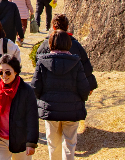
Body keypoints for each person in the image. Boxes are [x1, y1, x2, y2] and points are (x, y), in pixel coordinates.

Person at [33, 31, 90, 160]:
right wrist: (80, 100)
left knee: (53, 144)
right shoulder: (76, 62)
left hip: (50, 109)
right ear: (68, 44)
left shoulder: (42, 62)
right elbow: (84, 88)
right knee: (70, 144)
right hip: (71, 109)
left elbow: (35, 87)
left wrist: (43, 101)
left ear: (51, 44)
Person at [0, 54, 39, 160]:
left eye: (8, 72)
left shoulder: (26, 90)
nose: (4, 75)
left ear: (16, 71)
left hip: (20, 140)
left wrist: (31, 143)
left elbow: (32, 117)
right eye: (0, 72)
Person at [34, 15, 98, 92]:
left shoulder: (45, 44)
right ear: (67, 27)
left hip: (49, 90)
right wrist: (90, 85)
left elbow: (37, 62)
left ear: (53, 27)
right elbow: (86, 66)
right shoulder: (76, 45)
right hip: (72, 91)